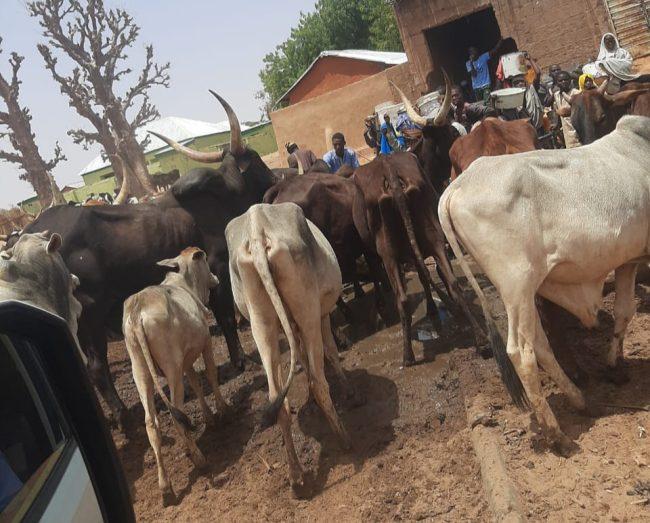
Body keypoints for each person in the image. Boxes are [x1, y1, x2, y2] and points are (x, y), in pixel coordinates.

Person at [552, 71, 581, 148]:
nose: (563, 82)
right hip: (566, 134)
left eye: (566, 79)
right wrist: (557, 126)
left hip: (578, 132)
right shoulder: (556, 95)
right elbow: (559, 113)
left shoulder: (576, 93)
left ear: (570, 80)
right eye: (560, 81)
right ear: (557, 83)